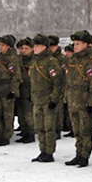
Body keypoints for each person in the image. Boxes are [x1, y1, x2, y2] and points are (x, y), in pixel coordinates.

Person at [64, 30, 92, 167]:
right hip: (73, 100)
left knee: (85, 131)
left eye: (78, 44)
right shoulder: (73, 59)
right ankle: (78, 153)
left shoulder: (90, 61)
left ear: (85, 44)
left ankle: (85, 155)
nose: (75, 46)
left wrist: (91, 102)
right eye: (74, 44)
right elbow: (69, 81)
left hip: (84, 101)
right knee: (77, 131)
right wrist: (66, 98)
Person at [29, 34, 63, 163]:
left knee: (49, 127)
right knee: (39, 127)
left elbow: (58, 83)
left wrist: (54, 99)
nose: (35, 48)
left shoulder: (51, 62)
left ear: (44, 47)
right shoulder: (34, 62)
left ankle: (49, 152)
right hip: (37, 99)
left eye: (38, 45)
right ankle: (42, 150)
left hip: (48, 99)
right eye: (35, 46)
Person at [0, 35, 22, 147]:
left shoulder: (12, 59)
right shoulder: (0, 58)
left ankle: (6, 136)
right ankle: (0, 134)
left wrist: (13, 90)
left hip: (7, 89)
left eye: (3, 45)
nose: (0, 47)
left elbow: (16, 76)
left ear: (9, 46)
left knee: (7, 115)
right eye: (0, 45)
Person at [15, 38, 36, 144]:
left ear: (32, 49)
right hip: (20, 88)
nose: (23, 50)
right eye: (21, 48)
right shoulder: (18, 59)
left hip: (30, 88)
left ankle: (31, 133)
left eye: (25, 48)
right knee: (21, 112)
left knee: (29, 114)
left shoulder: (35, 60)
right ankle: (24, 131)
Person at [49, 35, 69, 140]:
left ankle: (57, 129)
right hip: (47, 88)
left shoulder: (62, 59)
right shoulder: (47, 58)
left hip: (59, 87)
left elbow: (65, 75)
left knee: (58, 110)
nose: (50, 48)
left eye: (52, 46)